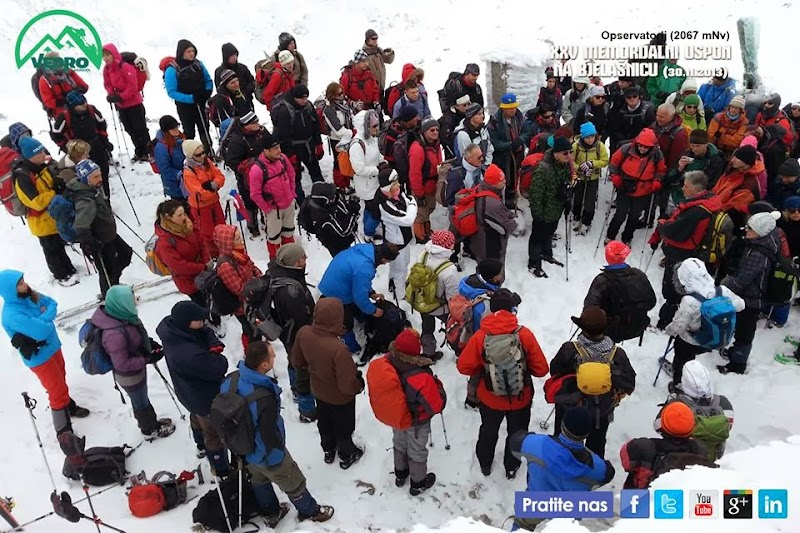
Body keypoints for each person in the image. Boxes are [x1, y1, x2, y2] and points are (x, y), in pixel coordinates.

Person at [222, 341, 334, 523]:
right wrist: (276, 454)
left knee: (259, 480)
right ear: (264, 365)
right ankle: (309, 511)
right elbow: (269, 433)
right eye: (272, 355)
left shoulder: (230, 380)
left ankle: (271, 513)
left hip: (244, 449)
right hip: (267, 452)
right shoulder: (263, 396)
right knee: (292, 481)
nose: (275, 357)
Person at [0, 270, 89, 468]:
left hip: (53, 347)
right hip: (40, 359)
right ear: (9, 290)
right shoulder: (12, 314)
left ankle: (68, 405)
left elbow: (52, 304)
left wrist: (43, 318)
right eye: (20, 283)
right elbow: (42, 330)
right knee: (56, 391)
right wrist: (45, 320)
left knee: (61, 379)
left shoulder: (29, 295)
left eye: (23, 280)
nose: (25, 284)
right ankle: (63, 431)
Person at [457, 289, 549, 478]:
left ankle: (485, 462)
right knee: (517, 432)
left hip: (490, 397)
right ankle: (511, 466)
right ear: (511, 309)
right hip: (520, 398)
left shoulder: (481, 336)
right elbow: (542, 370)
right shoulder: (524, 335)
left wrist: (485, 367)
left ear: (492, 309)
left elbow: (463, 367)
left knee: (488, 430)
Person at [366, 328, 446, 495]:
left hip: (398, 416)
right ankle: (418, 483)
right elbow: (437, 405)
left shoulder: (388, 363)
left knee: (400, 442)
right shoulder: (420, 377)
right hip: (417, 421)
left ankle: (400, 474)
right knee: (417, 449)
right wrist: (437, 386)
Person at [509, 407, 615, 532]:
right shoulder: (597, 468)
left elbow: (515, 441)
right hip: (567, 517)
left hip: (534, 507)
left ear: (562, 425)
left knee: (522, 526)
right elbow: (609, 473)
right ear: (587, 434)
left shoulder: (536, 445)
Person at [549, 307, 636, 457]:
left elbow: (554, 372)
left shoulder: (569, 349)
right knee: (596, 445)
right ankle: (591, 473)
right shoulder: (617, 354)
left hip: (570, 408)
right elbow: (629, 383)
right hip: (600, 411)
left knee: (563, 442)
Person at [89, 285, 175, 438]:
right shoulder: (114, 334)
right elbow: (121, 363)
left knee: (142, 399)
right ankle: (149, 429)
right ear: (121, 303)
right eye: (131, 300)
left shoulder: (119, 315)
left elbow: (131, 336)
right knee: (140, 403)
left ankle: (151, 423)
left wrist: (146, 343)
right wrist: (147, 359)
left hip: (135, 370)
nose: (134, 302)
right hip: (130, 376)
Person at [156, 301, 230, 476]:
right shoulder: (188, 354)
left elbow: (205, 331)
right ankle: (220, 469)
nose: (204, 322)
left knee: (196, 418)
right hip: (204, 397)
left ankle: (200, 444)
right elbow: (219, 366)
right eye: (199, 320)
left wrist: (212, 343)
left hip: (188, 391)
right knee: (213, 433)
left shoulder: (175, 329)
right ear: (188, 323)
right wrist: (216, 355)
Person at [291, 297, 364, 468]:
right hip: (340, 398)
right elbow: (347, 385)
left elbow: (297, 361)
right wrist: (358, 385)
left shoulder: (304, 333)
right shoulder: (338, 349)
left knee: (324, 421)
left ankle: (328, 451)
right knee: (343, 427)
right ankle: (347, 455)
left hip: (318, 389)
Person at [649, 171, 723, 327]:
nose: (683, 189)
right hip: (693, 252)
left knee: (673, 290)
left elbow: (675, 232)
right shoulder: (707, 202)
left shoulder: (696, 211)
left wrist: (662, 223)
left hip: (681, 254)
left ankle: (666, 322)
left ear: (696, 190)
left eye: (686, 186)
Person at [719, 211, 782, 374]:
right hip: (750, 296)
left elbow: (741, 280)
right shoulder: (764, 242)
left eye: (750, 228)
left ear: (760, 232)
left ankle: (737, 365)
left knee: (744, 333)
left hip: (752, 299)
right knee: (743, 329)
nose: (746, 230)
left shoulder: (758, 254)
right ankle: (735, 354)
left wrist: (723, 286)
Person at [12, 137, 78, 286]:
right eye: (40, 152)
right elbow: (35, 202)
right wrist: (54, 192)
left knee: (58, 246)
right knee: (51, 250)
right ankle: (61, 276)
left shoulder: (40, 167)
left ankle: (69, 270)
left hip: (52, 216)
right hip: (41, 221)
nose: (44, 154)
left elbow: (47, 185)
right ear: (31, 155)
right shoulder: (22, 177)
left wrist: (57, 184)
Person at [317, 242, 399, 355]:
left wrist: (371, 293)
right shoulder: (365, 267)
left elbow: (359, 281)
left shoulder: (366, 250)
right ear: (384, 259)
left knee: (358, 306)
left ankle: (360, 318)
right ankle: (352, 348)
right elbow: (359, 296)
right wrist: (373, 311)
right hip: (337, 293)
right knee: (346, 322)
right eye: (388, 262)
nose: (386, 264)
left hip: (334, 282)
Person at [68, 159, 133, 297]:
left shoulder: (92, 189)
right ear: (86, 179)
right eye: (95, 176)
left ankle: (114, 284)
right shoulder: (85, 200)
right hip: (100, 241)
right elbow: (81, 225)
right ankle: (110, 294)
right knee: (107, 270)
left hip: (108, 234)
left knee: (125, 254)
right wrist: (91, 243)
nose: (100, 179)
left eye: (100, 175)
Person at [266, 243, 316, 408]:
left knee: (293, 360)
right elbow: (301, 318)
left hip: (287, 331)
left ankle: (295, 388)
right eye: (303, 257)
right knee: (302, 368)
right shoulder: (289, 291)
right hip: (295, 334)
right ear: (295, 263)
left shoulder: (282, 274)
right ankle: (306, 405)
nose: (306, 259)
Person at [620, 401, 711, 489]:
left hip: (644, 500)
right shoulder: (699, 449)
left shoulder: (644, 447)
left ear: (662, 424)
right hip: (685, 500)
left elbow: (626, 463)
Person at [583, 241, 657, 343]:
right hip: (636, 326)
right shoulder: (639, 275)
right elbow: (651, 302)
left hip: (610, 331)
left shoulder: (602, 281)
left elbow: (590, 310)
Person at [605, 128, 666, 245]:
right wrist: (614, 176)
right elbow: (614, 162)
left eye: (646, 147)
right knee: (620, 214)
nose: (642, 149)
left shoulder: (657, 155)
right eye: (640, 146)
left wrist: (657, 181)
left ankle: (627, 237)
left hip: (643, 191)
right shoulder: (626, 149)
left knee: (634, 216)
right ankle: (610, 235)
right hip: (624, 187)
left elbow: (661, 171)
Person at [667, 360, 735, 461]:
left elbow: (658, 426)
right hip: (712, 456)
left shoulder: (677, 403)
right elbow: (728, 427)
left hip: (681, 457)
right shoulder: (723, 403)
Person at [50, 90, 113, 197]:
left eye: (84, 102)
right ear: (73, 106)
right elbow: (55, 135)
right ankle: (92, 200)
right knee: (86, 178)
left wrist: (105, 141)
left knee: (102, 174)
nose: (84, 105)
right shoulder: (64, 117)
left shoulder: (92, 110)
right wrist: (68, 148)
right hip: (79, 152)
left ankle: (106, 200)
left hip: (97, 146)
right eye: (80, 104)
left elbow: (102, 125)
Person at [212, 224, 263, 349]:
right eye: (236, 239)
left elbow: (251, 266)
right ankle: (252, 351)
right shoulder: (225, 265)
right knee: (252, 331)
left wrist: (259, 276)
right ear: (227, 243)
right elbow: (240, 290)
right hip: (242, 307)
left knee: (253, 328)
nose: (241, 240)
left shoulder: (239, 254)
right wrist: (258, 285)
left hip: (252, 299)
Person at [248, 132, 297, 260]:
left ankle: (290, 259)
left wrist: (292, 194)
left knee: (288, 233)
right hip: (273, 211)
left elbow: (291, 175)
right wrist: (268, 209)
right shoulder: (257, 170)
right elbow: (255, 194)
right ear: (266, 150)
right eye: (275, 148)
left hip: (288, 205)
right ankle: (276, 263)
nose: (279, 151)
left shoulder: (283, 159)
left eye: (279, 147)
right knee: (274, 239)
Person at [528, 137, 572, 278]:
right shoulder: (543, 169)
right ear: (556, 153)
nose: (569, 156)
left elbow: (566, 181)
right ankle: (533, 263)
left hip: (556, 209)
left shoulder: (564, 165)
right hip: (543, 211)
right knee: (537, 237)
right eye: (565, 153)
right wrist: (537, 215)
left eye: (570, 152)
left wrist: (567, 193)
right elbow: (535, 195)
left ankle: (547, 253)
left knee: (549, 232)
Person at [271, 84, 324, 200]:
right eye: (301, 98)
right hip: (293, 147)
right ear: (294, 97)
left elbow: (316, 125)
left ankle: (322, 193)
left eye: (306, 98)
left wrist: (319, 143)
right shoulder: (285, 111)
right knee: (295, 176)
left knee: (315, 169)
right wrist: (290, 155)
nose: (304, 101)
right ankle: (300, 199)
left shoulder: (308, 106)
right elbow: (283, 136)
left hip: (308, 144)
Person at [154, 199, 211, 305]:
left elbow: (201, 241)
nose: (184, 217)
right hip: (189, 282)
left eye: (184, 213)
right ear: (168, 217)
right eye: (179, 215)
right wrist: (203, 267)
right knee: (202, 305)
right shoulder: (164, 242)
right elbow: (178, 266)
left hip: (203, 274)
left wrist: (206, 260)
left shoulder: (187, 224)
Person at [414, 231, 460, 360]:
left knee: (427, 327)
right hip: (439, 307)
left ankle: (428, 353)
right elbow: (453, 297)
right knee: (454, 329)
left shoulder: (423, 255)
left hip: (421, 301)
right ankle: (459, 352)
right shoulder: (449, 269)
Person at [101, 43, 150, 161]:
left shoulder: (125, 67)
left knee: (140, 129)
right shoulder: (107, 69)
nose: (106, 58)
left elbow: (133, 86)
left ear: (114, 54)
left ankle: (148, 151)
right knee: (129, 129)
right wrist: (111, 94)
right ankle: (140, 151)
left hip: (134, 104)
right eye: (103, 56)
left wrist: (120, 97)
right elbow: (107, 83)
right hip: (121, 105)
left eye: (108, 55)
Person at [164, 39, 214, 154]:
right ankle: (191, 154)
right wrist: (191, 98)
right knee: (189, 131)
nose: (192, 53)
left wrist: (207, 91)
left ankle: (209, 151)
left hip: (201, 102)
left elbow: (208, 80)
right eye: (188, 51)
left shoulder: (198, 64)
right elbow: (172, 92)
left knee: (204, 128)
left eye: (193, 51)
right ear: (181, 52)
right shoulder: (172, 69)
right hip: (185, 106)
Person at [222, 111, 267, 237]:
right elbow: (232, 161)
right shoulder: (237, 140)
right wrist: (247, 166)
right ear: (246, 125)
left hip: (265, 173)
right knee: (250, 201)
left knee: (266, 197)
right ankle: (252, 225)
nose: (258, 124)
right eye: (254, 123)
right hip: (246, 179)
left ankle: (266, 220)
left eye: (257, 121)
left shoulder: (261, 133)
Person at [375, 168, 417, 295]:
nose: (399, 185)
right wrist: (412, 206)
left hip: (404, 239)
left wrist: (410, 204)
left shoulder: (398, 195)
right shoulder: (385, 206)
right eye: (395, 184)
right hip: (396, 243)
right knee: (399, 269)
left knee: (402, 265)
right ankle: (400, 294)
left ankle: (394, 286)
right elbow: (408, 219)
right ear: (388, 188)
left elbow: (409, 199)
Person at [181, 140, 226, 257]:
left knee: (222, 227)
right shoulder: (188, 173)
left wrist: (212, 185)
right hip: (201, 208)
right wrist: (215, 187)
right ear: (190, 156)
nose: (202, 156)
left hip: (214, 203)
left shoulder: (207, 162)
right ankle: (214, 256)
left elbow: (220, 176)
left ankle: (225, 251)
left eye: (203, 152)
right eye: (198, 154)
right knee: (208, 234)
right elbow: (200, 194)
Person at [470, 164, 517, 266]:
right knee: (493, 273)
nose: (505, 181)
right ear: (493, 183)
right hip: (490, 245)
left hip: (479, 240)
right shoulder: (491, 203)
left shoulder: (481, 188)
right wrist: (515, 222)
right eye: (501, 180)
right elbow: (504, 228)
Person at [350, 109, 386, 239]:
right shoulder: (357, 145)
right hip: (366, 186)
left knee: (372, 208)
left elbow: (376, 155)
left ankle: (369, 227)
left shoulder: (371, 138)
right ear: (365, 127)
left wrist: (383, 161)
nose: (377, 129)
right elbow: (359, 169)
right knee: (374, 210)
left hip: (375, 183)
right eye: (374, 126)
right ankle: (368, 233)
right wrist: (378, 170)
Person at [666, 129, 725, 208]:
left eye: (698, 146)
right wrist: (679, 169)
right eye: (692, 146)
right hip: (676, 194)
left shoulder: (715, 160)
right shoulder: (686, 154)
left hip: (696, 198)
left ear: (706, 144)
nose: (695, 149)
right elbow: (670, 178)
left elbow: (708, 183)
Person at [488, 93, 527, 210]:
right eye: (510, 108)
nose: (513, 110)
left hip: (517, 155)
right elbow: (493, 141)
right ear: (503, 108)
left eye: (514, 107)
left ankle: (510, 201)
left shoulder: (520, 118)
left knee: (514, 178)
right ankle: (498, 203)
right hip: (502, 157)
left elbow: (527, 132)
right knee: (502, 179)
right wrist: (509, 145)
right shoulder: (494, 122)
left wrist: (520, 140)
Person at [711, 145, 763, 228]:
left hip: (727, 222)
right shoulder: (732, 170)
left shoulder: (749, 185)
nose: (732, 160)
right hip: (714, 208)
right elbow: (716, 188)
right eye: (734, 156)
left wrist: (710, 209)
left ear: (746, 163)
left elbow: (732, 208)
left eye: (737, 158)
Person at [571, 122, 609, 234]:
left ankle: (587, 222)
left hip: (593, 178)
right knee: (577, 198)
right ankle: (577, 217)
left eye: (592, 136)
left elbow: (605, 160)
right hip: (579, 177)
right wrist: (580, 168)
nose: (590, 139)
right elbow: (570, 162)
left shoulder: (599, 146)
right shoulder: (575, 146)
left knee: (590, 201)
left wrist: (592, 164)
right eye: (587, 137)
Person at [409, 117, 443, 241]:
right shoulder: (417, 149)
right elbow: (415, 174)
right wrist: (419, 195)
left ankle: (426, 230)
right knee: (420, 213)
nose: (435, 132)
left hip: (432, 186)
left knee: (428, 210)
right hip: (422, 186)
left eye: (437, 130)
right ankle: (420, 236)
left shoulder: (436, 144)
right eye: (432, 130)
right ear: (424, 131)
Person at [320, 82, 355, 188]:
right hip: (337, 140)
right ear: (332, 95)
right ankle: (340, 185)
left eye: (342, 93)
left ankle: (347, 183)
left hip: (348, 138)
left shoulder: (344, 105)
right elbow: (337, 129)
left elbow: (351, 117)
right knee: (339, 163)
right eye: (339, 94)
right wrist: (351, 133)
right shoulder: (328, 110)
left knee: (348, 161)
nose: (342, 95)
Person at [36, 52, 89, 118]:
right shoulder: (44, 80)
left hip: (78, 103)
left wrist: (77, 92)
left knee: (91, 112)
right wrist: (65, 100)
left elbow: (84, 86)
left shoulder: (69, 72)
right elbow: (49, 102)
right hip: (61, 109)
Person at [607, 86, 656, 154]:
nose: (632, 99)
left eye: (634, 96)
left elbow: (651, 130)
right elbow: (615, 129)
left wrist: (636, 141)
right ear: (625, 98)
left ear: (639, 97)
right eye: (629, 97)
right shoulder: (619, 110)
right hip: (622, 144)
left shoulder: (648, 111)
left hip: (641, 146)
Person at [153, 115, 187, 202]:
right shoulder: (161, 147)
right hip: (175, 186)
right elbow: (164, 169)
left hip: (187, 181)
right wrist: (180, 174)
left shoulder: (179, 138)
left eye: (177, 127)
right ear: (166, 131)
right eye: (173, 129)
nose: (176, 130)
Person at [439, 95, 471, 160]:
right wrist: (454, 153)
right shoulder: (449, 120)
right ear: (456, 106)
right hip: (453, 154)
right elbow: (446, 139)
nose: (467, 107)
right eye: (464, 105)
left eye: (469, 104)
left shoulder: (466, 115)